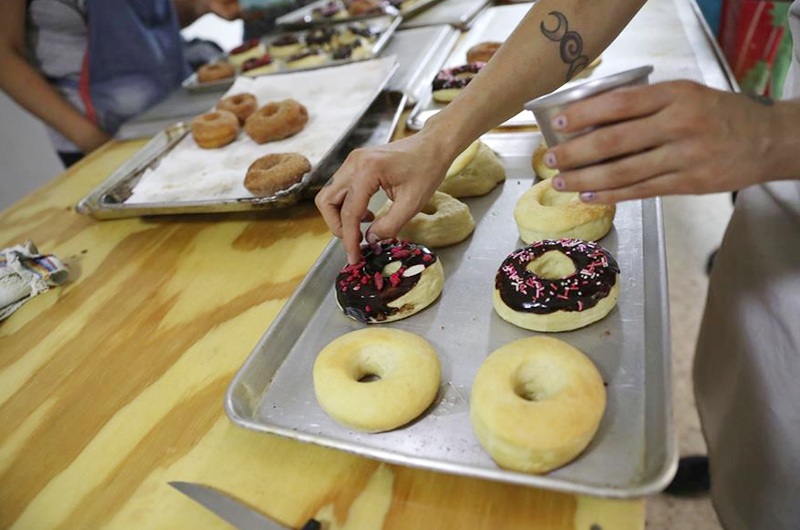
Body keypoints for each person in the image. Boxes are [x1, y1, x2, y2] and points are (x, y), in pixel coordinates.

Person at [314, 0, 800, 527]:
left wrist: (775, 136)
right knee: (748, 415)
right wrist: (439, 138)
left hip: (778, 156)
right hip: (776, 222)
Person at [0, 0, 240, 168]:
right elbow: (5, 56)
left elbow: (143, 23)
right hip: (103, 136)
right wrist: (91, 140)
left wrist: (201, 5)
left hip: (184, 111)